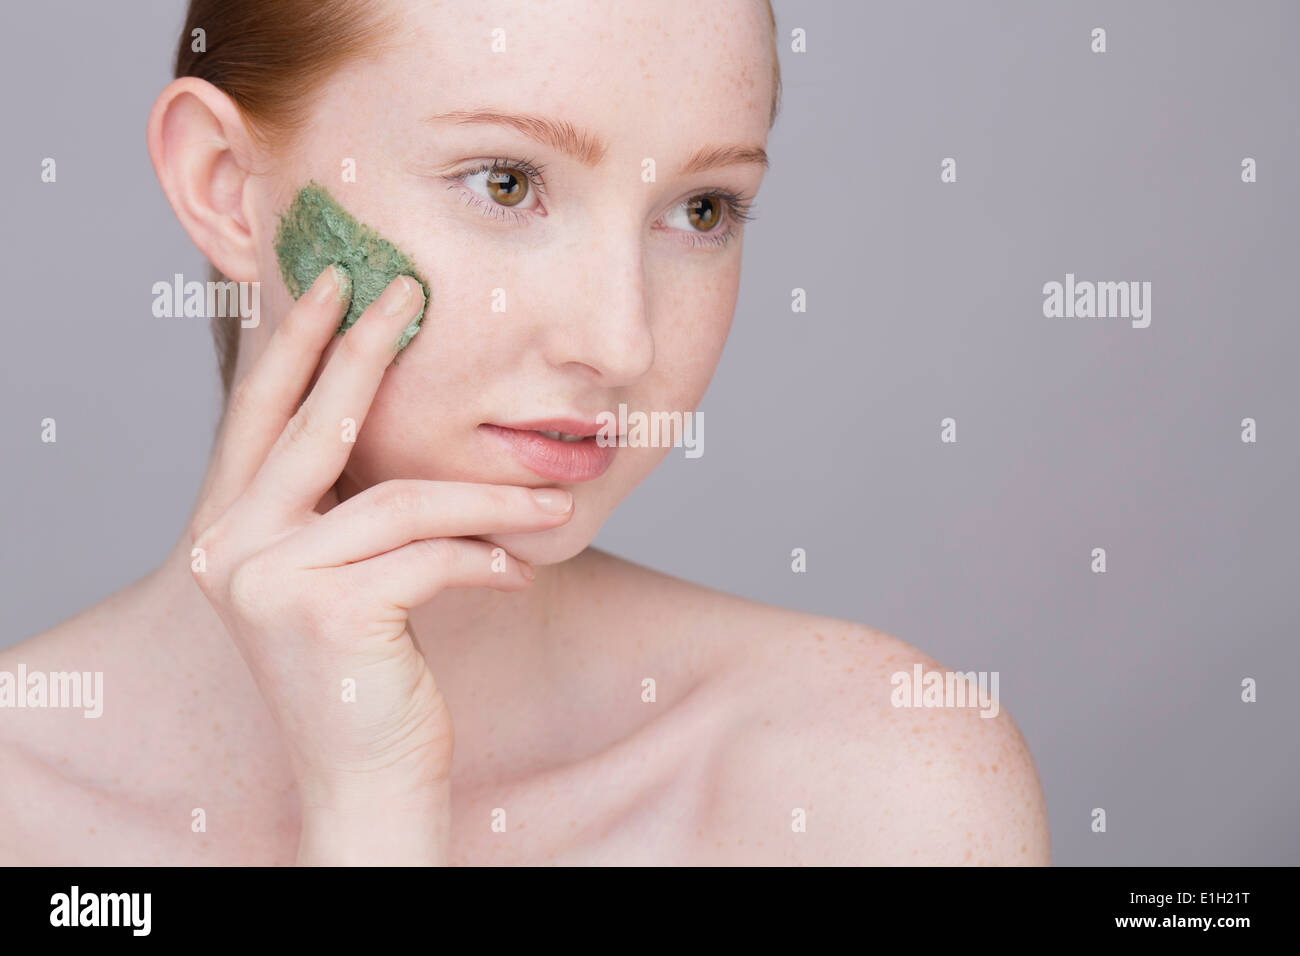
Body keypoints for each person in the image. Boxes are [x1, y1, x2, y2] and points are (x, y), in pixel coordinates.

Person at [0, 0, 1049, 865]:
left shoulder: (874, 787)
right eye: (505, 182)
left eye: (702, 209)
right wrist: (365, 803)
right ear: (225, 188)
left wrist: (374, 810)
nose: (621, 340)